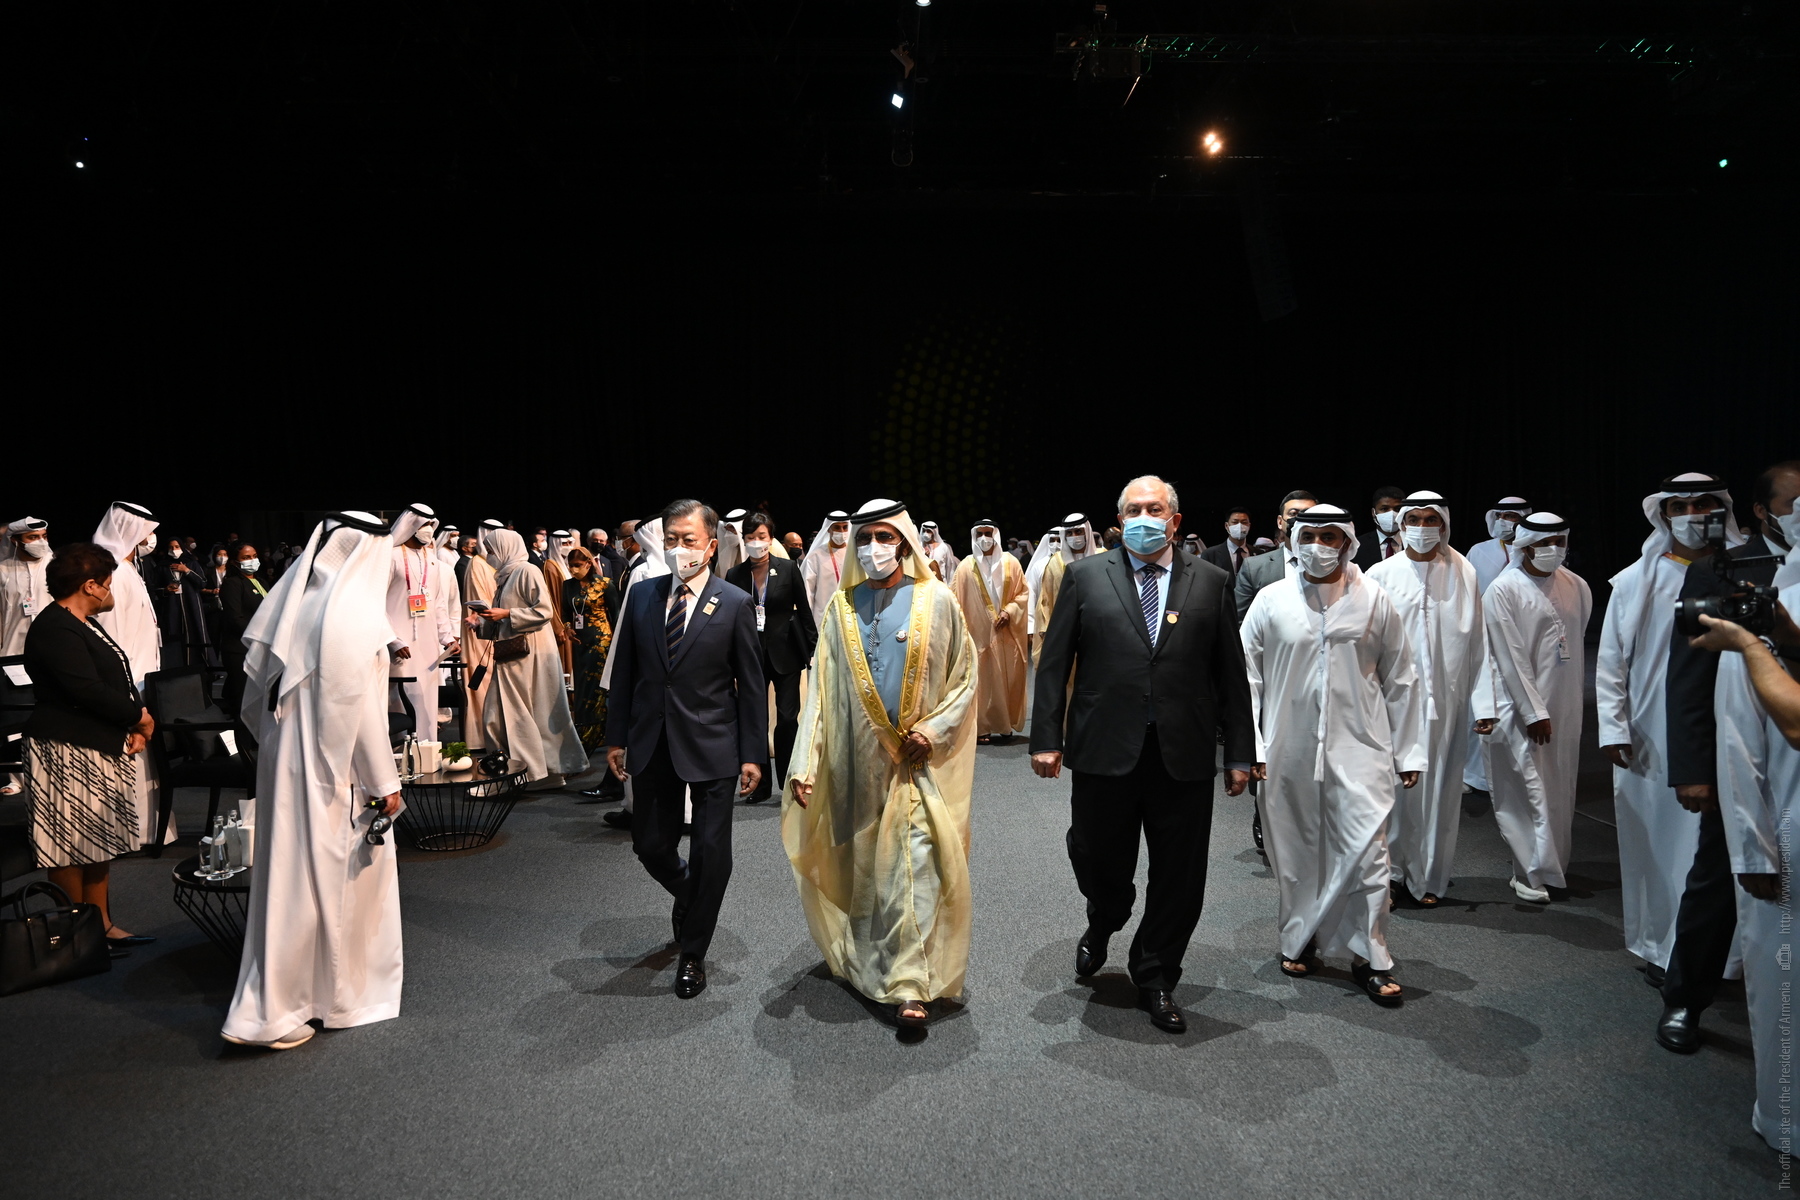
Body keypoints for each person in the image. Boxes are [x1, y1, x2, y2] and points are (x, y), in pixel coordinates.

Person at [1032, 475, 1253, 1033]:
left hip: (1183, 752)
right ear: (1119, 520)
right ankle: (1105, 915)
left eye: (1154, 509)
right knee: (1095, 855)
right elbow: (1054, 663)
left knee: (1180, 873)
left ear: (1175, 521)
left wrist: (1239, 753)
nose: (1143, 518)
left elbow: (1231, 673)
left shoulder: (1212, 580)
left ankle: (1155, 974)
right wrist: (1046, 738)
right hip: (1104, 747)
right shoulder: (1085, 576)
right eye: (1133, 510)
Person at [784, 499, 978, 1026]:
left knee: (916, 865)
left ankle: (910, 983)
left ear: (905, 542)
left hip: (916, 764)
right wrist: (806, 762)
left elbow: (964, 676)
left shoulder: (938, 600)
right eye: (865, 537)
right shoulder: (841, 608)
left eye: (885, 536)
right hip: (855, 764)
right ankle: (872, 962)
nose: (874, 547)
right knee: (868, 868)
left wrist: (933, 731)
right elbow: (821, 691)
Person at [222, 511, 404, 1051]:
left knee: (291, 876)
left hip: (287, 756)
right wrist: (384, 781)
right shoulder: (351, 614)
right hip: (329, 763)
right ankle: (281, 1010)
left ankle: (299, 997)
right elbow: (359, 710)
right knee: (318, 881)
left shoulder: (302, 601)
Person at [1243, 505, 1425, 1005]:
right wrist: (1252, 747)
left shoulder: (1374, 599)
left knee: (1369, 852)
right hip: (1287, 750)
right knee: (1296, 852)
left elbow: (1402, 677)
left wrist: (1409, 751)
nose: (1319, 546)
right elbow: (1246, 680)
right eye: (1310, 535)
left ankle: (1372, 956)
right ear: (1294, 540)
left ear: (1347, 542)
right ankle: (1300, 937)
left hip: (1362, 748)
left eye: (1330, 536)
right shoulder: (1270, 600)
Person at [1657, 459, 1797, 1052]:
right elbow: (1691, 673)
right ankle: (1685, 998)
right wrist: (1694, 769)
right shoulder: (1726, 568)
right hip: (1743, 755)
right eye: (1793, 504)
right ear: (1763, 511)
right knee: (1716, 878)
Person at [604, 500, 766, 1000]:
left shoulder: (734, 602)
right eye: (671, 539)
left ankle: (693, 951)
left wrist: (753, 753)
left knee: (712, 853)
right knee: (650, 845)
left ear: (711, 545)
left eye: (688, 540)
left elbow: (751, 685)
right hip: (652, 740)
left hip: (714, 742)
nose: (679, 548)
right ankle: (691, 893)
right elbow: (625, 671)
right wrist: (617, 736)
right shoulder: (643, 595)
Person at [1596, 473, 1739, 983]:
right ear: (1664, 514)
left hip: (1734, 724)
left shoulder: (1744, 570)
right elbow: (1612, 660)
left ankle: (1725, 958)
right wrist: (1613, 727)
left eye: (1703, 504)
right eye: (1680, 506)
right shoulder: (1636, 580)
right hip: (1652, 733)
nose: (1692, 515)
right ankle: (1664, 950)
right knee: (1659, 844)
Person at [1703, 561, 1800, 1146]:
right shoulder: (1776, 616)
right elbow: (1739, 746)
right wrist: (1753, 849)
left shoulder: (1757, 638)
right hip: (1786, 835)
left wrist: (1747, 644)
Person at [21, 542, 158, 956]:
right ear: (91, 586)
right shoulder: (55, 627)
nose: (111, 590)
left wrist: (133, 718)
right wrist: (138, 718)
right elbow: (85, 689)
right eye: (108, 582)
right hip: (63, 747)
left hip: (94, 743)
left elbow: (113, 678)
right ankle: (75, 936)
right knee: (67, 844)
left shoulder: (80, 622)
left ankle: (100, 924)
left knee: (96, 840)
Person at [1365, 492, 1494, 907]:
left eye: (1430, 519)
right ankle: (1387, 876)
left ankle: (1428, 878)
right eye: (1414, 520)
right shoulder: (1380, 573)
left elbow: (1479, 642)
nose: (1422, 528)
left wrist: (1485, 704)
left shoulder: (1464, 571)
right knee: (1390, 792)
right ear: (1402, 525)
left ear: (1444, 524)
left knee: (1440, 792)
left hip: (1447, 704)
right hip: (1391, 704)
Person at [1481, 512, 1594, 903]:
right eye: (1543, 544)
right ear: (1524, 547)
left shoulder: (1576, 585)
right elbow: (1508, 656)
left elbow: (1576, 640)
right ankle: (1527, 871)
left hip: (1566, 702)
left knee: (1560, 787)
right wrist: (1534, 712)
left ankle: (1554, 867)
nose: (1552, 550)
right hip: (1520, 708)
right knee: (1526, 788)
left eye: (1558, 542)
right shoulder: (1503, 589)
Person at [467, 529, 586, 790]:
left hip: (528, 656)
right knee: (503, 716)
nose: (490, 555)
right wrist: (481, 623)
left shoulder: (526, 571)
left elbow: (543, 611)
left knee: (517, 715)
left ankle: (528, 774)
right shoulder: (506, 576)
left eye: (493, 550)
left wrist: (506, 613)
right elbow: (503, 618)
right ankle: (534, 774)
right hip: (512, 656)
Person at [90, 502, 168, 848]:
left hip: (142, 677)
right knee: (129, 755)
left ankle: (148, 832)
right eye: (146, 532)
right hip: (126, 682)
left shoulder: (128, 568)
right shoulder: (113, 573)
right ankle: (130, 834)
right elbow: (111, 637)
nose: (150, 540)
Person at [725, 512, 816, 803]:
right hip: (750, 655)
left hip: (786, 653)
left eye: (761, 536)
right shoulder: (735, 575)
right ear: (744, 540)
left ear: (770, 538)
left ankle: (789, 782)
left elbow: (804, 610)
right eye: (750, 537)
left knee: (787, 719)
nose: (756, 542)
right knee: (756, 720)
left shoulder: (787, 568)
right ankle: (760, 784)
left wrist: (813, 648)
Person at [386, 505, 459, 744]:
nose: (429, 529)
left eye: (431, 524)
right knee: (397, 697)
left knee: (426, 697)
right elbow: (376, 602)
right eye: (425, 524)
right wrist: (393, 640)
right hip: (398, 645)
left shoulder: (432, 561)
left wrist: (447, 637)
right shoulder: (391, 556)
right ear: (411, 525)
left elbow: (438, 603)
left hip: (427, 645)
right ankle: (398, 752)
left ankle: (426, 750)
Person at [951, 519, 1028, 743]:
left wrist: (1009, 611)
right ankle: (982, 727)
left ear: (996, 535)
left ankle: (1004, 724)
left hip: (1006, 632)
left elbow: (1023, 592)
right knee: (981, 681)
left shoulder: (1011, 562)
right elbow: (954, 599)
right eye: (980, 534)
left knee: (1007, 677)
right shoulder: (965, 566)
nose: (984, 538)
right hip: (977, 633)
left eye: (988, 533)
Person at [563, 546, 618, 756]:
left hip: (601, 641)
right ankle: (583, 727)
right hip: (579, 642)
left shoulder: (605, 584)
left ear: (588, 563)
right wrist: (568, 628)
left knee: (597, 687)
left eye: (577, 565)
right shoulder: (568, 585)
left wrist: (618, 642)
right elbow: (565, 611)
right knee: (582, 685)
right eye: (570, 565)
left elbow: (616, 613)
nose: (573, 569)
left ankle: (596, 732)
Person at [1234, 491, 1318, 621]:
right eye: (1293, 514)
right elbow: (1240, 620)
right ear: (1280, 522)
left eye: (1307, 514)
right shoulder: (1253, 568)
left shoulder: (1330, 564)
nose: (1300, 519)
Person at [1028, 513, 1099, 662]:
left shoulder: (1102, 557)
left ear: (1086, 532)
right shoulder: (1055, 562)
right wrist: (1044, 627)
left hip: (1097, 628)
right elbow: (1045, 599)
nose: (1074, 536)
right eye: (1069, 533)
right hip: (1065, 629)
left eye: (1078, 531)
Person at [147, 533, 215, 670]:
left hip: (191, 604)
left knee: (197, 633)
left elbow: (202, 582)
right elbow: (154, 588)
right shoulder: (162, 566)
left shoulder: (191, 563)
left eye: (177, 547)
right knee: (174, 636)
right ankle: (178, 669)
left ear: (182, 548)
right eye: (171, 547)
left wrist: (187, 571)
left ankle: (205, 667)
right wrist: (165, 590)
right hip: (172, 606)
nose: (174, 550)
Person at [218, 543, 268, 719]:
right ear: (234, 562)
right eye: (246, 558)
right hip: (240, 648)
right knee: (242, 698)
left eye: (254, 556)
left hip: (260, 647)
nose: (252, 560)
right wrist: (257, 636)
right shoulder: (232, 584)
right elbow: (235, 618)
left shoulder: (261, 582)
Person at [1, 516, 51, 657]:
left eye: (44, 536)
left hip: (53, 647)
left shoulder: (56, 565)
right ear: (15, 541)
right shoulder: (3, 570)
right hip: (14, 650)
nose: (41, 541)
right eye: (33, 537)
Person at [1467, 496, 1532, 594]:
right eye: (1498, 515)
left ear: (1523, 519)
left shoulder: (1533, 551)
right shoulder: (1478, 550)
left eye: (1509, 516)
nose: (1501, 520)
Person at [799, 511, 851, 626]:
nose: (841, 531)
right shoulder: (815, 557)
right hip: (823, 619)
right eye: (837, 527)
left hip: (851, 617)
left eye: (845, 527)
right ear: (828, 529)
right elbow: (808, 593)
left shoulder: (855, 553)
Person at [1353, 486, 1407, 568]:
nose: (1391, 514)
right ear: (1373, 513)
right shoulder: (1357, 546)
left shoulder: (1414, 542)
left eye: (1397, 509)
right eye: (1384, 509)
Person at [1200, 507, 1253, 579]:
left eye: (1244, 522)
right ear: (1227, 526)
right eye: (1235, 522)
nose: (1240, 526)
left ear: (1249, 525)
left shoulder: (1258, 553)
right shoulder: (1210, 554)